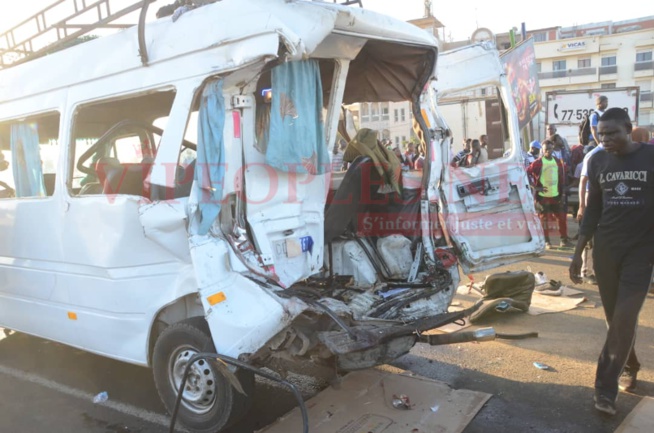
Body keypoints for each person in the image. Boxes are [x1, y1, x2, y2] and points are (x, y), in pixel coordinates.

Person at [569, 107, 654, 416]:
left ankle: (604, 389)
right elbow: (592, 210)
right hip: (606, 251)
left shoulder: (650, 157)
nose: (605, 139)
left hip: (641, 253)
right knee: (614, 320)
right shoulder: (598, 161)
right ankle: (630, 365)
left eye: (612, 133)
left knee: (624, 318)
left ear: (628, 129)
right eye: (600, 133)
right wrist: (578, 252)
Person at [526, 140, 570, 249]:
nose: (548, 151)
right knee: (544, 220)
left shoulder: (557, 161)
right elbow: (526, 173)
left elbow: (562, 177)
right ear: (542, 150)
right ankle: (547, 242)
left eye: (550, 149)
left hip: (556, 195)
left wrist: (562, 192)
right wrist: (535, 187)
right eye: (546, 149)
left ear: (553, 148)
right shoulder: (538, 162)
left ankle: (563, 240)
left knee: (562, 218)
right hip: (543, 196)